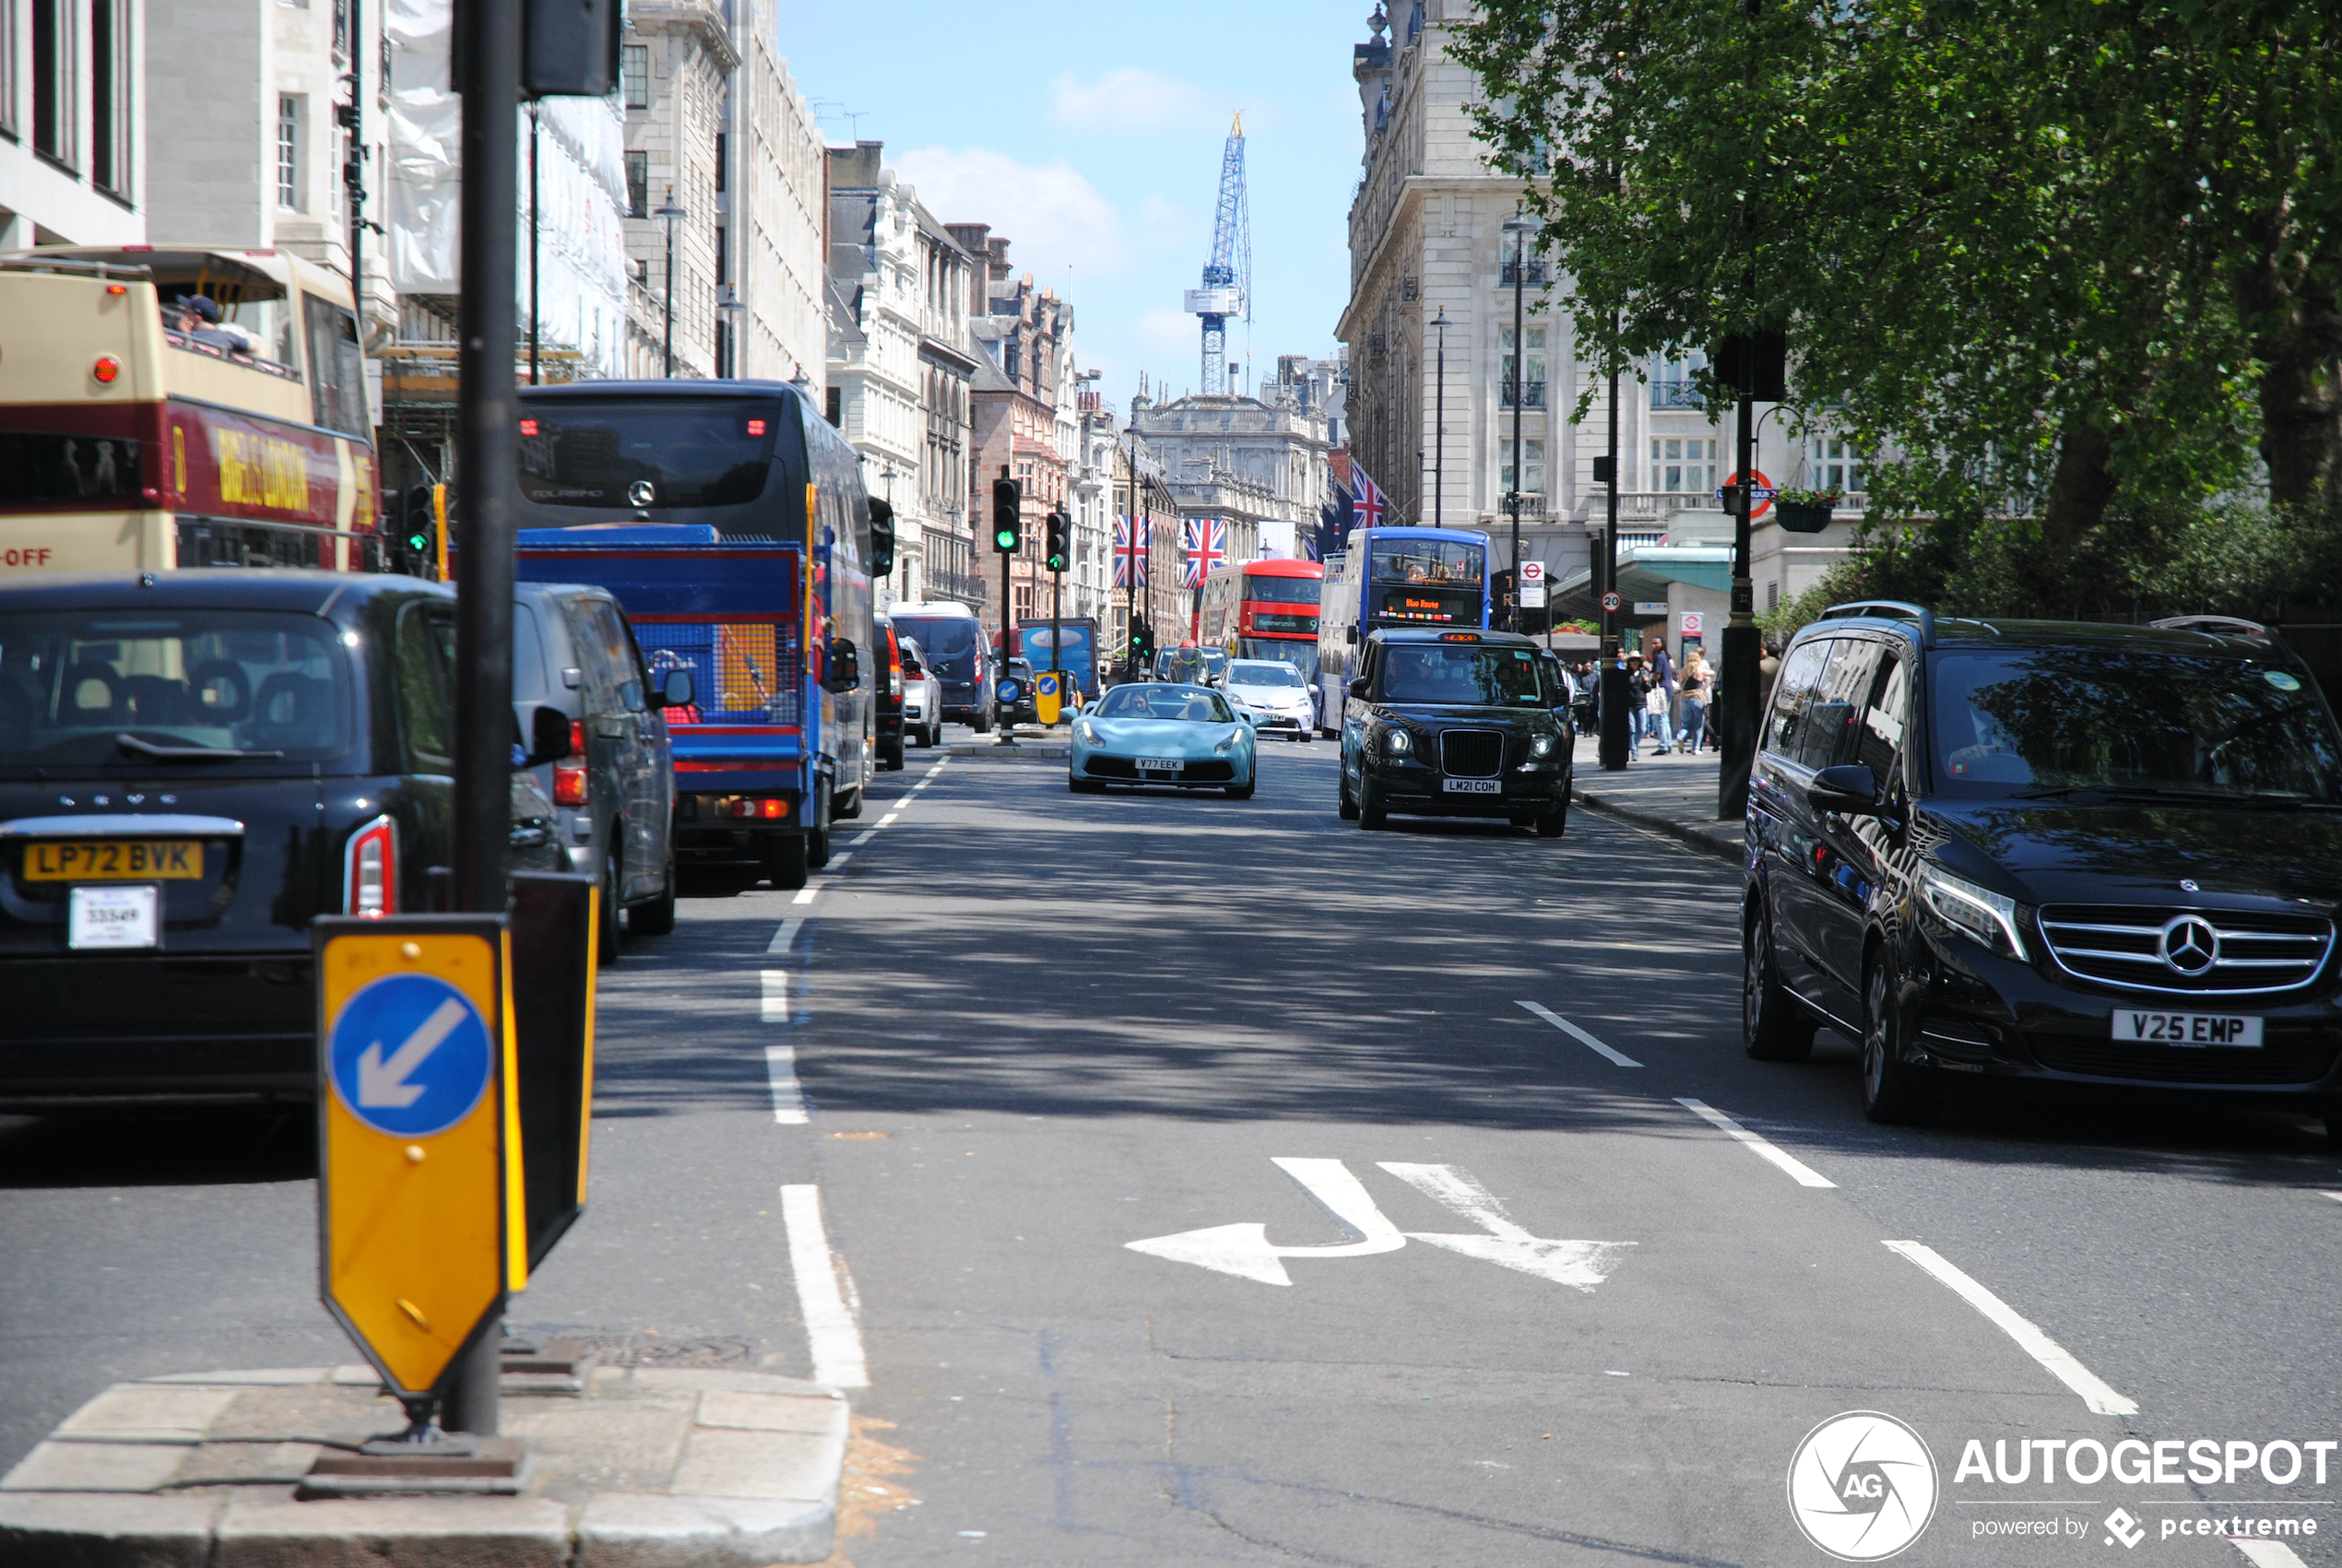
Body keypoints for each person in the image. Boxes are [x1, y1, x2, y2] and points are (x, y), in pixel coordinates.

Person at [1675, 648, 1712, 753]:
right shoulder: (1699, 670)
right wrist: (1701, 690)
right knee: (1698, 724)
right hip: (1697, 699)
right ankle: (1696, 748)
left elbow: (1680, 684)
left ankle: (1681, 736)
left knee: (1685, 723)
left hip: (1684, 698)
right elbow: (1710, 677)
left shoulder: (1683, 670)